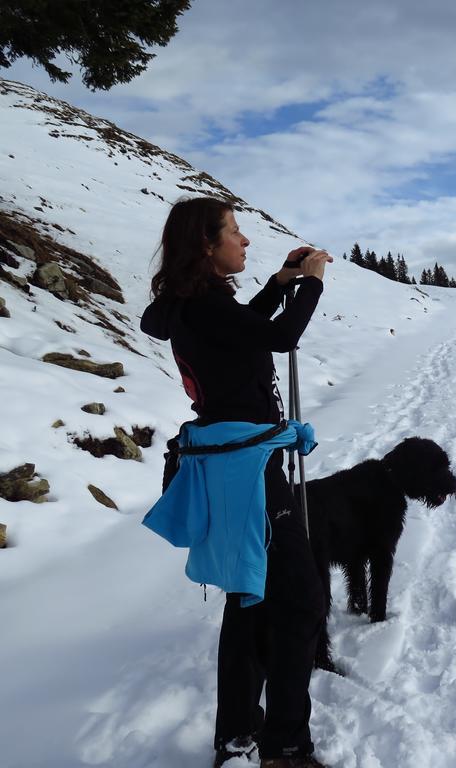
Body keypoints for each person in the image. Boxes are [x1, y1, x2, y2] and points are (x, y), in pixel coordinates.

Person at [140, 197, 334, 768]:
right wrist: (311, 286)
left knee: (251, 599)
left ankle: (238, 739)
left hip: (232, 463)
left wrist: (278, 281)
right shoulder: (203, 305)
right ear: (207, 243)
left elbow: (243, 331)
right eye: (235, 232)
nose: (245, 241)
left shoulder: (194, 303)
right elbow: (277, 339)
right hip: (247, 470)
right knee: (297, 601)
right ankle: (284, 747)